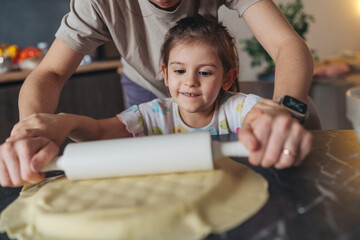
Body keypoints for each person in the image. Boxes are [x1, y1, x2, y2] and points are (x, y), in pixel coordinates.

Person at [0, 15, 313, 187]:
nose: (190, 81)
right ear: (165, 74)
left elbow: (263, 111)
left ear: (227, 79)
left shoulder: (236, 107)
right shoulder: (151, 116)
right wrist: (59, 123)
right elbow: (98, 132)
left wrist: (278, 115)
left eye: (204, 72)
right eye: (180, 71)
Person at [17, 0, 314, 119]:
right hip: (142, 90)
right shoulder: (96, 2)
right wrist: (32, 128)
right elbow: (50, 73)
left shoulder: (234, 107)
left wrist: (286, 113)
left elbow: (287, 45)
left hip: (213, 101)